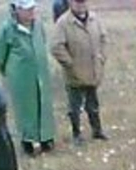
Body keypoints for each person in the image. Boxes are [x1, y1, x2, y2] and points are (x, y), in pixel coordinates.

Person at [0, 0, 57, 155]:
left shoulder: (38, 25)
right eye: (27, 10)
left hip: (40, 74)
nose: (31, 12)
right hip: (21, 78)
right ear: (17, 10)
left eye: (33, 9)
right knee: (26, 108)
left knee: (44, 105)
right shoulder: (7, 29)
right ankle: (28, 140)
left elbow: (42, 42)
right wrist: (11, 71)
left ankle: (46, 137)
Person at [51, 0, 108, 144]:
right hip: (74, 75)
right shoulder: (63, 23)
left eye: (83, 2)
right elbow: (56, 47)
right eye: (77, 2)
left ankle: (97, 130)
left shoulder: (95, 20)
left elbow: (103, 39)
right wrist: (70, 63)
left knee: (93, 105)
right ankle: (76, 133)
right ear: (70, 3)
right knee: (75, 107)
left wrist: (101, 58)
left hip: (92, 72)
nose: (81, 5)